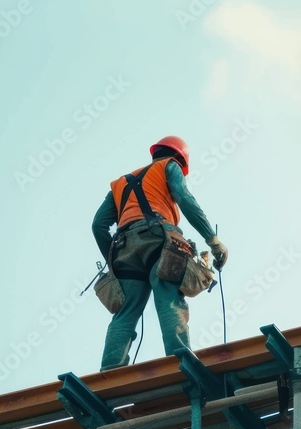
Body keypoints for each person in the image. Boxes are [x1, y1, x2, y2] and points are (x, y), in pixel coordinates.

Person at [92, 135, 229, 371]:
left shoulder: (120, 183)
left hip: (124, 248)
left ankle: (108, 374)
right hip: (159, 239)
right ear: (179, 159)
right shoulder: (169, 166)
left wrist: (113, 263)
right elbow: (184, 198)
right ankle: (181, 363)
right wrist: (213, 240)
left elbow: (98, 225)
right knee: (168, 295)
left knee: (125, 312)